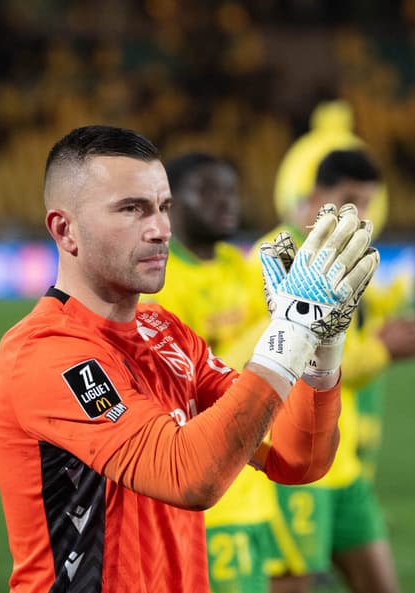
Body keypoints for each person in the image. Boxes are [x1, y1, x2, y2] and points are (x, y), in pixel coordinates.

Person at [0, 125, 379, 592]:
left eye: (162, 207)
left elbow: (298, 459)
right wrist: (290, 330)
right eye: (131, 209)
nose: (159, 229)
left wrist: (320, 348)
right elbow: (189, 477)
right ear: (65, 230)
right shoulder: (45, 353)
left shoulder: (166, 332)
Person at [256, 150, 415, 593]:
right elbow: (284, 360)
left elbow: (346, 343)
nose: (361, 213)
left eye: (368, 201)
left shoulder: (344, 259)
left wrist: (388, 329)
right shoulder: (271, 259)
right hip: (291, 460)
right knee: (293, 586)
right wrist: (382, 351)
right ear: (316, 197)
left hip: (344, 467)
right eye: (350, 199)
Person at [144, 152, 280, 593]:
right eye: (207, 191)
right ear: (171, 204)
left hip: (254, 485)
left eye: (230, 191)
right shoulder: (160, 285)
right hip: (207, 496)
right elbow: (189, 384)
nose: (226, 202)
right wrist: (276, 325)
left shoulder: (239, 269)